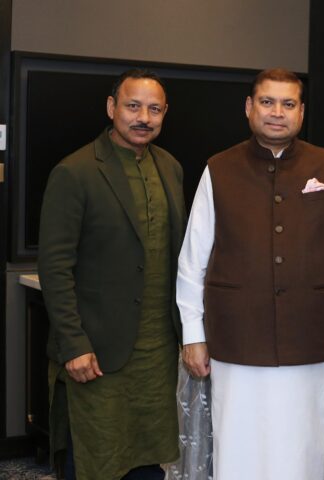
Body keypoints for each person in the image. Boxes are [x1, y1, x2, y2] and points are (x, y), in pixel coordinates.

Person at [176, 68, 324, 479]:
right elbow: (192, 259)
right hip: (236, 340)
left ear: (301, 112)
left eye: (288, 104)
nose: (276, 112)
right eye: (267, 102)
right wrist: (193, 334)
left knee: (305, 449)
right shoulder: (218, 168)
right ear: (249, 108)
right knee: (238, 447)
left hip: (311, 339)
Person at [38, 69, 185, 480]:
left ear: (165, 113)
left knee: (148, 455)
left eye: (154, 109)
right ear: (111, 107)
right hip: (97, 352)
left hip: (156, 353)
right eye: (133, 106)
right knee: (94, 457)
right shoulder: (76, 171)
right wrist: (74, 344)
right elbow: (54, 267)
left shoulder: (171, 168)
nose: (144, 117)